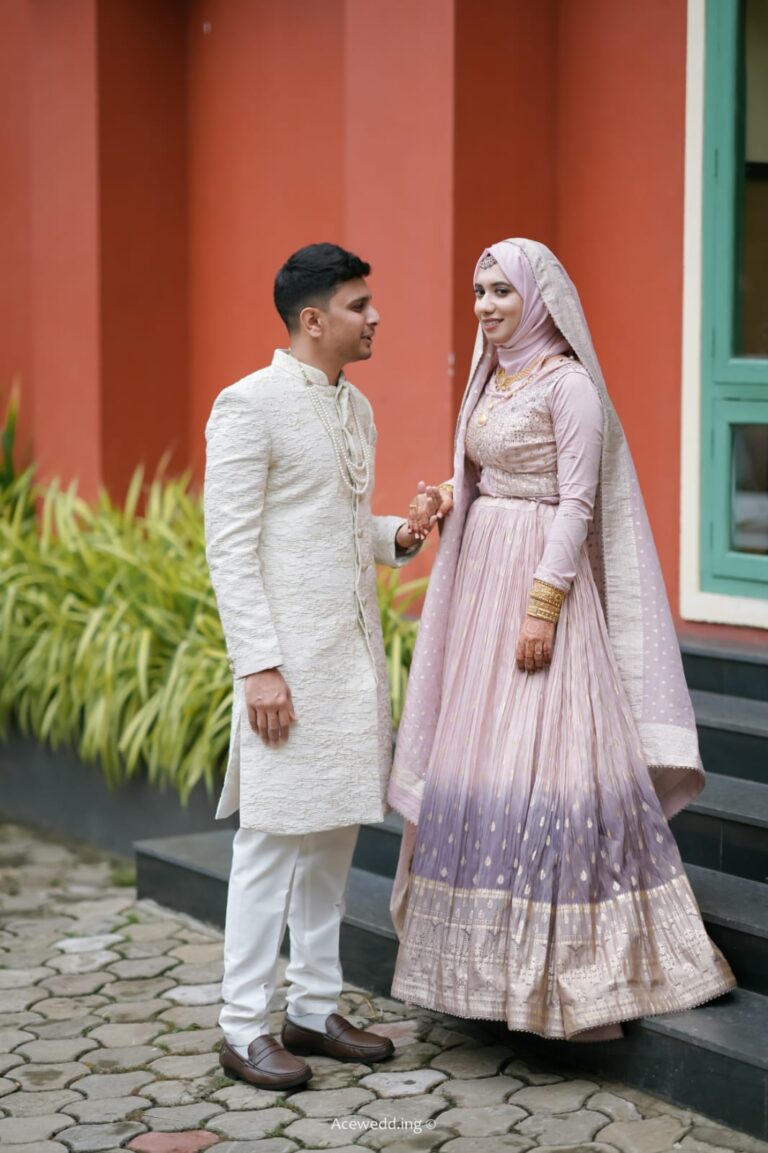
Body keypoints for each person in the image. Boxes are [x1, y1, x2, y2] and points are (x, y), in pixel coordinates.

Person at [387, 238, 736, 1041]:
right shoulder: (493, 376)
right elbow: (487, 470)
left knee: (549, 754)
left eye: (502, 291)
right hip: (482, 587)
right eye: (479, 291)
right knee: (485, 756)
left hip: (542, 583)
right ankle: (484, 970)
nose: (486, 306)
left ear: (539, 298)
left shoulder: (569, 383)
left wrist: (543, 606)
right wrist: (445, 496)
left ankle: (565, 972)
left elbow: (578, 501)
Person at [204, 243, 426, 1088]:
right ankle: (241, 1026)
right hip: (285, 670)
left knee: (333, 835)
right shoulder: (248, 405)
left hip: (349, 663)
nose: (374, 318)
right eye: (359, 305)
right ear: (312, 318)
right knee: (270, 843)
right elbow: (230, 546)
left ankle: (312, 1007)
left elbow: (332, 521)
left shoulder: (354, 406)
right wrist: (259, 665)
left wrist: (394, 535)